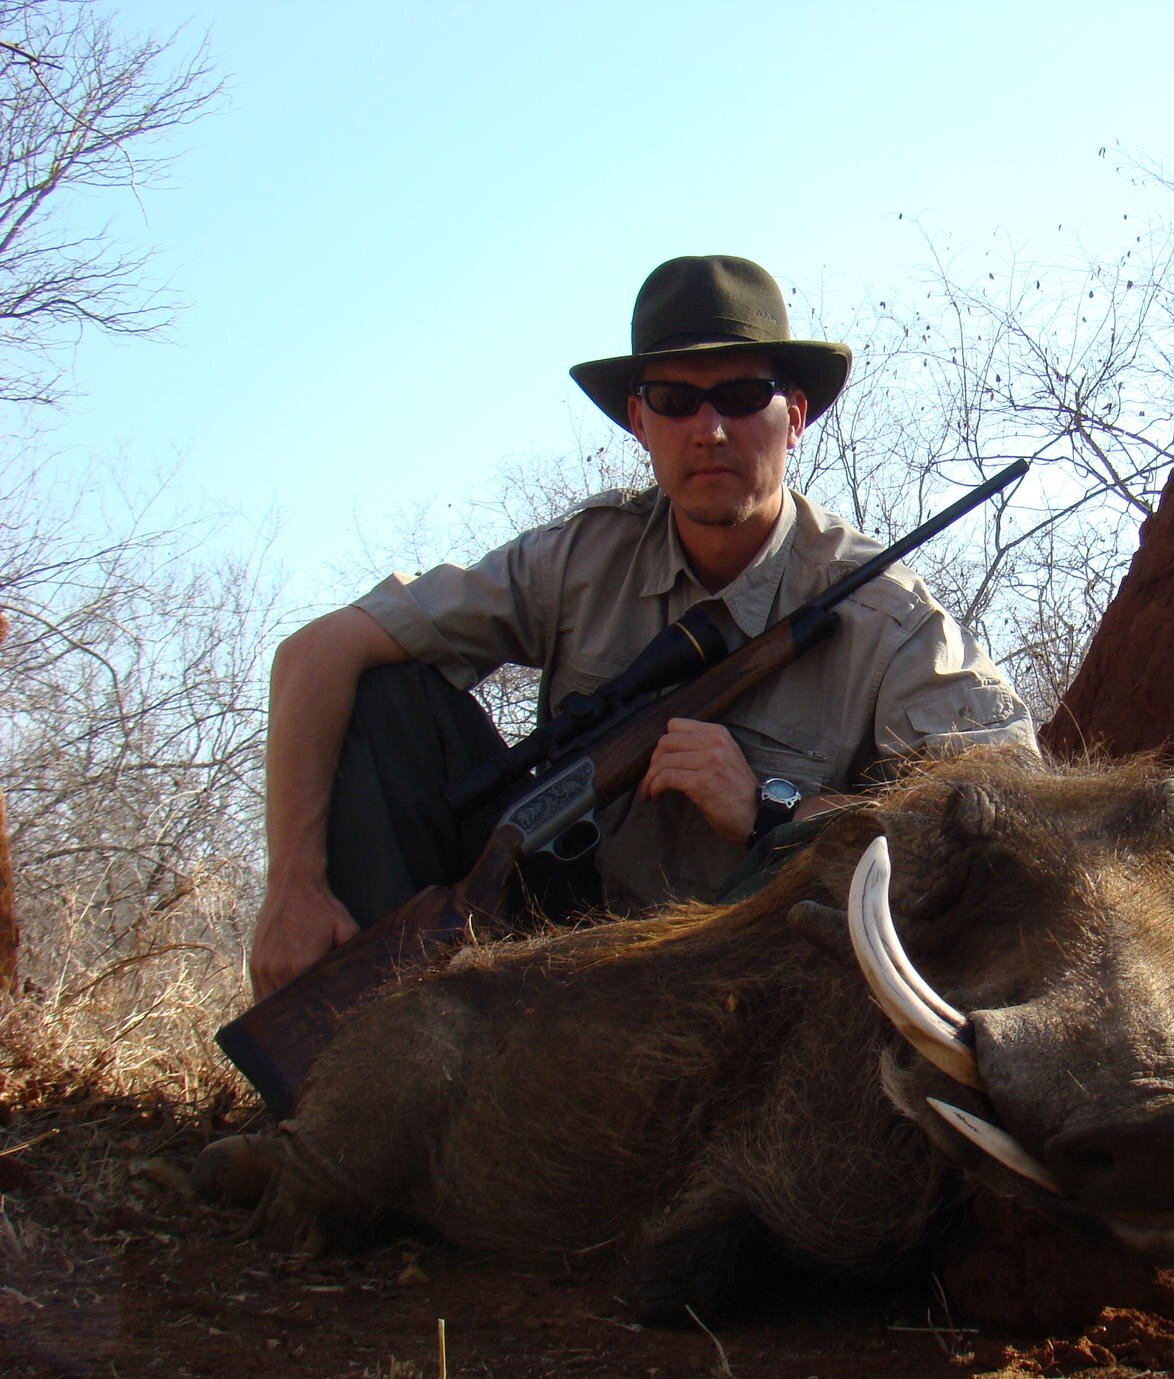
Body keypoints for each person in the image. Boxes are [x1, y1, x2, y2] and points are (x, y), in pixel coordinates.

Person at [247, 255, 1036, 1001]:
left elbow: (1013, 825)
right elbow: (317, 651)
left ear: (792, 416)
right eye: (674, 400)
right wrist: (294, 886)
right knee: (386, 696)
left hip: (748, 973)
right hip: (553, 934)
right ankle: (346, 1080)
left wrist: (772, 811)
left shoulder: (887, 617)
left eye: (740, 395)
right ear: (638, 419)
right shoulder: (580, 558)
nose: (710, 429)